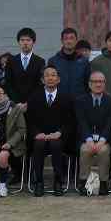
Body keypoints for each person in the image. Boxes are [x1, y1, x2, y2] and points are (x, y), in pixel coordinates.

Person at [27, 65, 75, 196]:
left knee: (56, 144)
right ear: (42, 80)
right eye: (47, 75)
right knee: (38, 145)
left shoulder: (67, 97)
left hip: (59, 136)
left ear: (58, 79)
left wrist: (60, 132)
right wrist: (37, 133)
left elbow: (70, 121)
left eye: (53, 75)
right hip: (40, 136)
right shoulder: (34, 97)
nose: (50, 78)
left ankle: (58, 181)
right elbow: (30, 120)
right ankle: (38, 182)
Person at [75, 71, 111, 196]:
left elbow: (110, 123)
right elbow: (81, 122)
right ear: (89, 84)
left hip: (104, 139)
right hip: (86, 138)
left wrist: (102, 140)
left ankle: (103, 182)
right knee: (85, 150)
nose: (98, 84)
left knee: (103, 151)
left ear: (105, 84)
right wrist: (89, 139)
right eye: (95, 81)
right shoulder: (80, 101)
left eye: (101, 81)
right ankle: (83, 182)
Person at [4, 27, 46, 111]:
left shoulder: (40, 61)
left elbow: (40, 85)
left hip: (34, 104)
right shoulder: (11, 61)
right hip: (15, 105)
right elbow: (8, 83)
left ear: (33, 42)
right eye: (22, 40)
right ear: (18, 42)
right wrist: (17, 102)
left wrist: (29, 102)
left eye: (28, 40)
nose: (25, 43)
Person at [49, 27, 91, 99]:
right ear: (62, 41)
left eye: (71, 38)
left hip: (80, 102)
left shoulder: (84, 62)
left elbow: (88, 84)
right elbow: (49, 83)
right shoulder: (53, 61)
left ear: (76, 40)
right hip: (59, 102)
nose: (69, 41)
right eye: (66, 39)